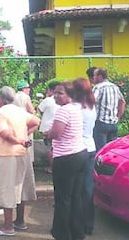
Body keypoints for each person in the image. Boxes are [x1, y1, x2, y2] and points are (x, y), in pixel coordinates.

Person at [0, 86, 40, 237]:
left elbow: (4, 133)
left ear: (1, 98)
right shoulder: (19, 110)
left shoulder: (0, 113)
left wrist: (18, 140)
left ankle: (7, 226)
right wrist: (25, 137)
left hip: (6, 154)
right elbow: (36, 121)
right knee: (20, 187)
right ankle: (20, 221)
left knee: (7, 189)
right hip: (22, 154)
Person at [44, 81, 87, 240]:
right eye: (55, 92)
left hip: (66, 157)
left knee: (63, 198)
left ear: (70, 95)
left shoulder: (63, 110)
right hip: (80, 154)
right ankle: (77, 233)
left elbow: (56, 133)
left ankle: (62, 234)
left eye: (60, 93)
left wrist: (48, 133)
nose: (56, 96)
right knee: (76, 196)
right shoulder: (76, 109)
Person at [73, 78, 97, 236]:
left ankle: (77, 224)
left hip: (77, 149)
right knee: (88, 189)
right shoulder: (92, 106)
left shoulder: (75, 107)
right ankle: (89, 224)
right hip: (91, 147)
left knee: (76, 189)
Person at [92, 67, 126, 151]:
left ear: (100, 77)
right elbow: (122, 101)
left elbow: (92, 101)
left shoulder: (98, 87)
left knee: (100, 150)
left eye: (94, 76)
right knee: (111, 150)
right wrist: (118, 116)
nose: (93, 78)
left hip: (101, 122)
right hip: (113, 123)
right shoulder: (115, 87)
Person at [37, 80, 60, 174]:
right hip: (58, 127)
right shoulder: (61, 100)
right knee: (56, 148)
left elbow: (39, 109)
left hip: (47, 128)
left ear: (50, 90)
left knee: (50, 148)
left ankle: (52, 168)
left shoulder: (48, 100)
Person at [13, 80, 36, 163]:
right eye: (28, 88)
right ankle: (28, 161)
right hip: (25, 121)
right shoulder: (26, 97)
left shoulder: (14, 96)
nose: (29, 90)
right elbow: (31, 110)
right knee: (27, 140)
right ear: (24, 88)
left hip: (15, 121)